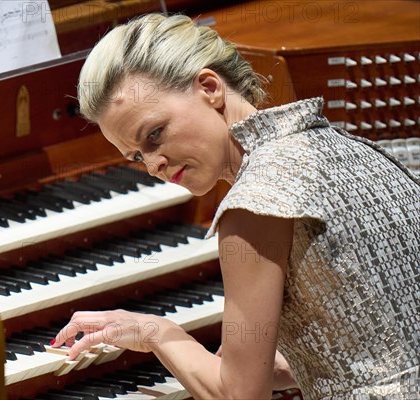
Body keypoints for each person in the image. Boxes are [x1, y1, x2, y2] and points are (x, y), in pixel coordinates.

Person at [50, 13, 420, 399]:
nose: (154, 164)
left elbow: (238, 396)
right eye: (136, 156)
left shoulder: (254, 205)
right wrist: (301, 362)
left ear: (210, 87)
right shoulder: (350, 148)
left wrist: (155, 332)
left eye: (155, 134)